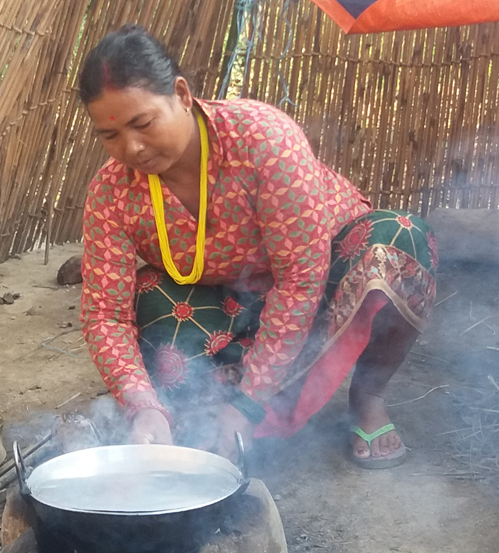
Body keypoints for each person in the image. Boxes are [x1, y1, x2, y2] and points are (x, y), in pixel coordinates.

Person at [76, 25, 437, 467]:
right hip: (228, 301)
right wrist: (141, 404)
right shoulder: (110, 193)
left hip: (322, 283)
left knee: (399, 241)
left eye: (143, 123)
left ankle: (367, 394)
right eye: (109, 136)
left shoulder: (262, 140)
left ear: (183, 95)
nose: (130, 147)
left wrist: (248, 403)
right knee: (149, 292)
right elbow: (105, 315)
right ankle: (199, 412)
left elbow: (301, 281)